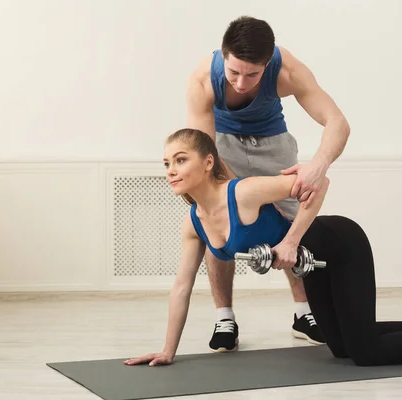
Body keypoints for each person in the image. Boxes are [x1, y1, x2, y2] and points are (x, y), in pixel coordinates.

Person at [124, 128, 402, 367]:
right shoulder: (193, 223)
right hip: (313, 264)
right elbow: (182, 287)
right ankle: (360, 334)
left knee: (364, 353)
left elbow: (321, 182)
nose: (171, 170)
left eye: (180, 160)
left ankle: (363, 338)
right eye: (166, 163)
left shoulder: (243, 192)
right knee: (341, 347)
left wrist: (290, 242)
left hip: (342, 245)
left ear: (209, 162)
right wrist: (168, 351)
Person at [186, 15, 350, 351]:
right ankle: (225, 317)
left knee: (291, 224)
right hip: (222, 146)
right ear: (223, 54)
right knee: (218, 224)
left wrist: (318, 165)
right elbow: (207, 155)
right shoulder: (203, 80)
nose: (242, 83)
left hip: (273, 142)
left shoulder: (287, 70)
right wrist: (240, 197)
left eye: (252, 74)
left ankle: (303, 314)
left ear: (268, 61)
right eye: (234, 73)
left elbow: (337, 122)